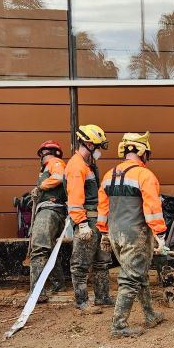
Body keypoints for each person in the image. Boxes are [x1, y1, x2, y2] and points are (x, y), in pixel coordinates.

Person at [97, 132, 166, 338]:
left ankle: (150, 314)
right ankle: (119, 326)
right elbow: (152, 208)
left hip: (115, 231)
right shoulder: (145, 175)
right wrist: (160, 233)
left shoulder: (109, 175)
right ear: (143, 152)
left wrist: (103, 232)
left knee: (139, 273)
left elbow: (103, 207)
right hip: (135, 233)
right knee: (131, 277)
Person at [66, 125, 112, 312]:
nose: (99, 150)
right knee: (80, 263)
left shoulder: (88, 165)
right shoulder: (77, 166)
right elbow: (75, 199)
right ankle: (82, 302)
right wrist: (81, 223)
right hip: (87, 221)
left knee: (102, 261)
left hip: (98, 220)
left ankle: (102, 298)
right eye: (98, 146)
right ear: (88, 144)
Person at [29, 140, 67, 302]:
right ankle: (58, 283)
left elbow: (59, 177)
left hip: (50, 210)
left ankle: (37, 293)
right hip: (49, 210)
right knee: (49, 249)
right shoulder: (47, 167)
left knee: (39, 249)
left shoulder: (55, 162)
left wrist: (40, 187)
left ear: (44, 153)